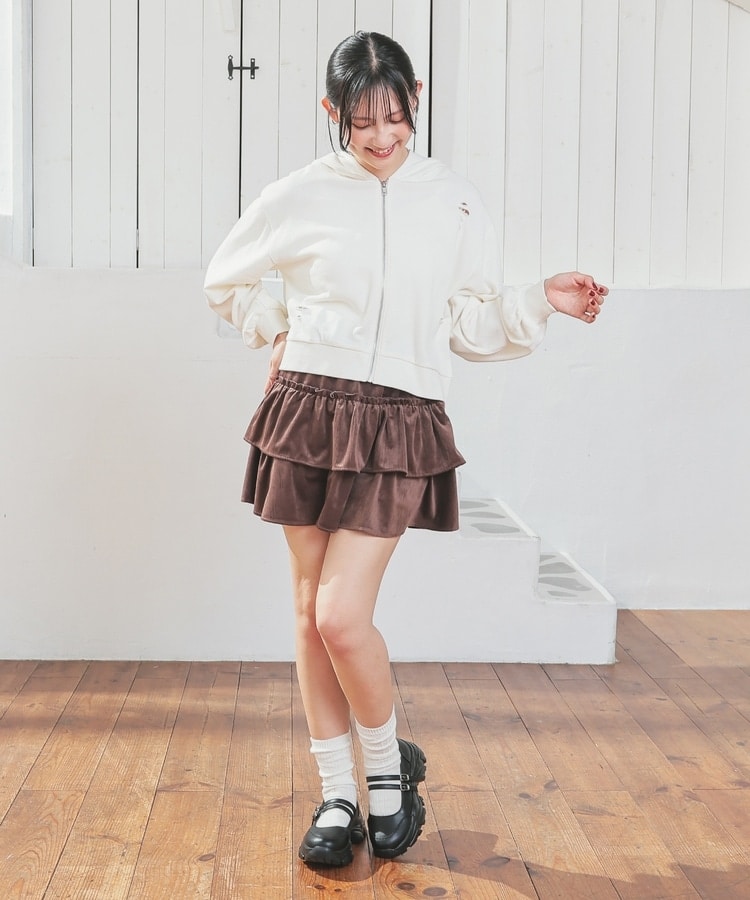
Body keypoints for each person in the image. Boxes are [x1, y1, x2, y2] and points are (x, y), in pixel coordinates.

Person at [204, 31, 607, 868]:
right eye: (361, 123)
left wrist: (541, 299)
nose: (381, 137)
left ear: (415, 100)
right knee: (309, 615)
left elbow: (470, 321)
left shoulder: (452, 200)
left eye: (394, 117)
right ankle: (337, 793)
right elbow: (226, 279)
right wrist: (274, 327)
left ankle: (388, 771)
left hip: (397, 418)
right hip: (309, 408)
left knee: (341, 617)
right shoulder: (299, 195)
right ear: (333, 112)